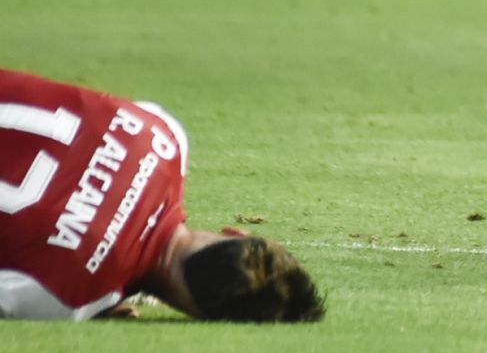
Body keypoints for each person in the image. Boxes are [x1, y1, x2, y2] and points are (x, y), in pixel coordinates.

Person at [0, 66, 324, 322]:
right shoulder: (66, 296)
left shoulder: (165, 135)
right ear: (194, 312)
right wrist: (101, 298)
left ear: (235, 232)